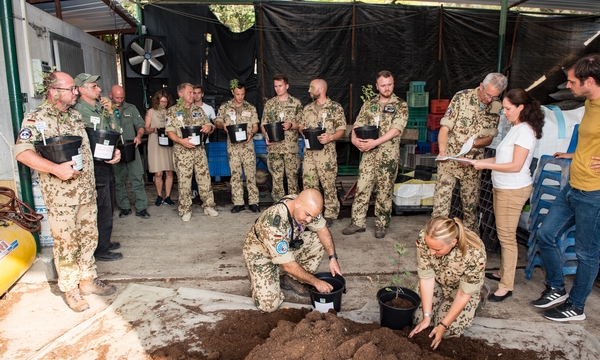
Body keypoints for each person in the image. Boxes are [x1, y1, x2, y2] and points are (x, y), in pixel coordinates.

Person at [14, 71, 120, 312]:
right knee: (67, 243)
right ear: (54, 92)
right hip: (61, 197)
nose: (75, 93)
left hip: (85, 191)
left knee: (88, 237)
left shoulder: (74, 116)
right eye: (71, 89)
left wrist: (110, 155)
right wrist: (54, 168)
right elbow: (22, 152)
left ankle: (88, 279)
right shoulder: (35, 119)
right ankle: (71, 288)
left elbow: (86, 149)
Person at [530, 54, 600, 321]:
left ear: (589, 81)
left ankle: (576, 305)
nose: (568, 86)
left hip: (593, 192)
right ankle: (556, 288)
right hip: (573, 185)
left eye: (572, 82)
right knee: (546, 234)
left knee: (586, 253)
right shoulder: (590, 103)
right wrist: (574, 155)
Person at [470, 89, 544, 302]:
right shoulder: (516, 128)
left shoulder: (524, 132)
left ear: (521, 107)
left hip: (513, 190)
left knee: (507, 238)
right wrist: (480, 163)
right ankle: (504, 272)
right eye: (503, 108)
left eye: (508, 108)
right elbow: (503, 159)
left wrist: (483, 164)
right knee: (505, 235)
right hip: (503, 187)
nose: (504, 112)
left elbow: (515, 165)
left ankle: (506, 286)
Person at [243, 189, 342, 312]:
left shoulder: (306, 206)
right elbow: (288, 265)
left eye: (313, 216)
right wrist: (316, 282)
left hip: (286, 244)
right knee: (268, 306)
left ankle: (290, 280)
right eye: (307, 215)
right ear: (298, 203)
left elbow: (322, 229)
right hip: (261, 254)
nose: (309, 220)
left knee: (317, 239)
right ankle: (256, 273)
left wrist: (333, 257)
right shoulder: (273, 222)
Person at [432, 73, 507, 232]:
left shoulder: (497, 106)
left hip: (473, 165)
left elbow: (489, 139)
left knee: (470, 210)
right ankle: (437, 243)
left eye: (494, 97)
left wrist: (475, 143)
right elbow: (444, 128)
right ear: (481, 86)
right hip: (449, 161)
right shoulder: (461, 98)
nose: (489, 99)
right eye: (487, 94)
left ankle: (471, 248)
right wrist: (443, 152)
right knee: (440, 209)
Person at [342, 70, 407, 239]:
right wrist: (355, 140)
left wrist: (375, 143)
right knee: (363, 187)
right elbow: (357, 124)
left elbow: (395, 130)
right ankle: (357, 222)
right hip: (368, 155)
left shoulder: (400, 105)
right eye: (383, 85)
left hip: (387, 156)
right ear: (377, 86)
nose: (387, 88)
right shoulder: (369, 104)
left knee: (384, 190)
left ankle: (381, 223)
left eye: (390, 84)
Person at [409, 217, 486, 350]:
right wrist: (426, 317)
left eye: (436, 249)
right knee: (417, 320)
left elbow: (463, 294)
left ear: (453, 242)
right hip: (437, 281)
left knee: (448, 331)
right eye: (429, 247)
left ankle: (478, 300)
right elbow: (427, 278)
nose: (431, 252)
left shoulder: (475, 253)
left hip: (461, 289)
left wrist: (443, 325)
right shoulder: (425, 237)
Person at [72, 73, 122, 262]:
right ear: (81, 90)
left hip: (105, 162)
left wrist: (110, 112)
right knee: (101, 206)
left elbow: (115, 132)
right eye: (94, 86)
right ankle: (100, 249)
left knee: (108, 204)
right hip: (92, 165)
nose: (99, 89)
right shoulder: (80, 111)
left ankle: (104, 242)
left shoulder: (100, 108)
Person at [165, 83, 218, 221]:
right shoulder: (172, 111)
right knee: (184, 181)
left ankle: (208, 205)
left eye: (194, 92)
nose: (193, 95)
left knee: (204, 178)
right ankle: (185, 209)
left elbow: (210, 125)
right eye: (190, 92)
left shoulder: (198, 110)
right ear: (180, 94)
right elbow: (169, 131)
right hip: (182, 152)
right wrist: (181, 141)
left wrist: (208, 127)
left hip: (199, 151)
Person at [299, 79, 346, 227]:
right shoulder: (307, 109)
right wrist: (303, 130)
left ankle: (330, 213)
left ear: (321, 89)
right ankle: (311, 213)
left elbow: (342, 130)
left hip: (326, 155)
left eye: (311, 87)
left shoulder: (335, 108)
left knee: (328, 185)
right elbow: (300, 126)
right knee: (309, 184)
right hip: (309, 155)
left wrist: (330, 137)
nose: (309, 90)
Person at [214, 80, 261, 213]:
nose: (240, 97)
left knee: (251, 174)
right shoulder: (225, 107)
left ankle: (253, 202)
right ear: (232, 93)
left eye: (242, 94)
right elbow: (217, 121)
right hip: (233, 146)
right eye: (238, 94)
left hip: (247, 146)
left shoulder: (250, 107)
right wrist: (222, 126)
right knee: (235, 175)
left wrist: (251, 134)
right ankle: (238, 202)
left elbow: (256, 125)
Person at [110, 85, 150, 219]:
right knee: (119, 179)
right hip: (115, 149)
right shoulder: (105, 110)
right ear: (111, 95)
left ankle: (141, 207)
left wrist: (138, 136)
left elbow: (140, 125)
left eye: (122, 97)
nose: (120, 100)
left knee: (137, 177)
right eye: (117, 97)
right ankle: (124, 207)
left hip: (131, 147)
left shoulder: (131, 109)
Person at [261, 74, 303, 202]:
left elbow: (302, 124)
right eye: (275, 86)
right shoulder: (270, 104)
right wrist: (266, 135)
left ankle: (293, 205)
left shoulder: (296, 103)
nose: (278, 89)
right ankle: (278, 206)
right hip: (274, 147)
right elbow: (263, 124)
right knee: (276, 178)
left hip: (290, 148)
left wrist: (291, 125)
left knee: (292, 178)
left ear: (287, 86)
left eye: (280, 86)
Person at [144, 89, 175, 207]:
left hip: (168, 143)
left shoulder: (170, 112)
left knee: (169, 172)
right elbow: (145, 129)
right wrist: (154, 129)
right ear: (157, 101)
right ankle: (159, 195)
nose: (163, 104)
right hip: (155, 143)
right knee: (158, 173)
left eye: (165, 102)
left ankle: (167, 196)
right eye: (161, 102)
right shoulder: (150, 112)